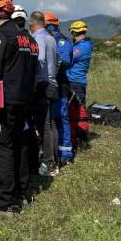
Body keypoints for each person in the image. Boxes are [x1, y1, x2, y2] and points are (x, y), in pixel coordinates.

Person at [0, 0, 38, 217]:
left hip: (3, 104)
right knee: (18, 148)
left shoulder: (0, 37)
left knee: (1, 150)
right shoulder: (28, 39)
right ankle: (18, 195)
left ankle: (3, 203)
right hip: (23, 102)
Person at [29, 11, 59, 177]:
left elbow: (39, 59)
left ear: (32, 25)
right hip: (52, 83)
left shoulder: (39, 38)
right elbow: (58, 59)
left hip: (42, 85)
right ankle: (53, 159)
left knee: (44, 126)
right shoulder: (51, 38)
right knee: (51, 124)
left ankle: (47, 162)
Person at [45, 12, 74, 163]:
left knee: (61, 117)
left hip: (60, 84)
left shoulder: (61, 41)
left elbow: (64, 62)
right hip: (50, 84)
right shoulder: (49, 39)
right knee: (50, 119)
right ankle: (53, 150)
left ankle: (65, 153)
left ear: (50, 25)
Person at [66, 20, 93, 149]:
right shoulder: (84, 45)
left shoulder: (81, 47)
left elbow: (67, 58)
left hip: (75, 83)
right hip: (75, 82)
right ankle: (76, 136)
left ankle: (81, 139)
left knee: (78, 112)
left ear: (73, 32)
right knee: (74, 111)